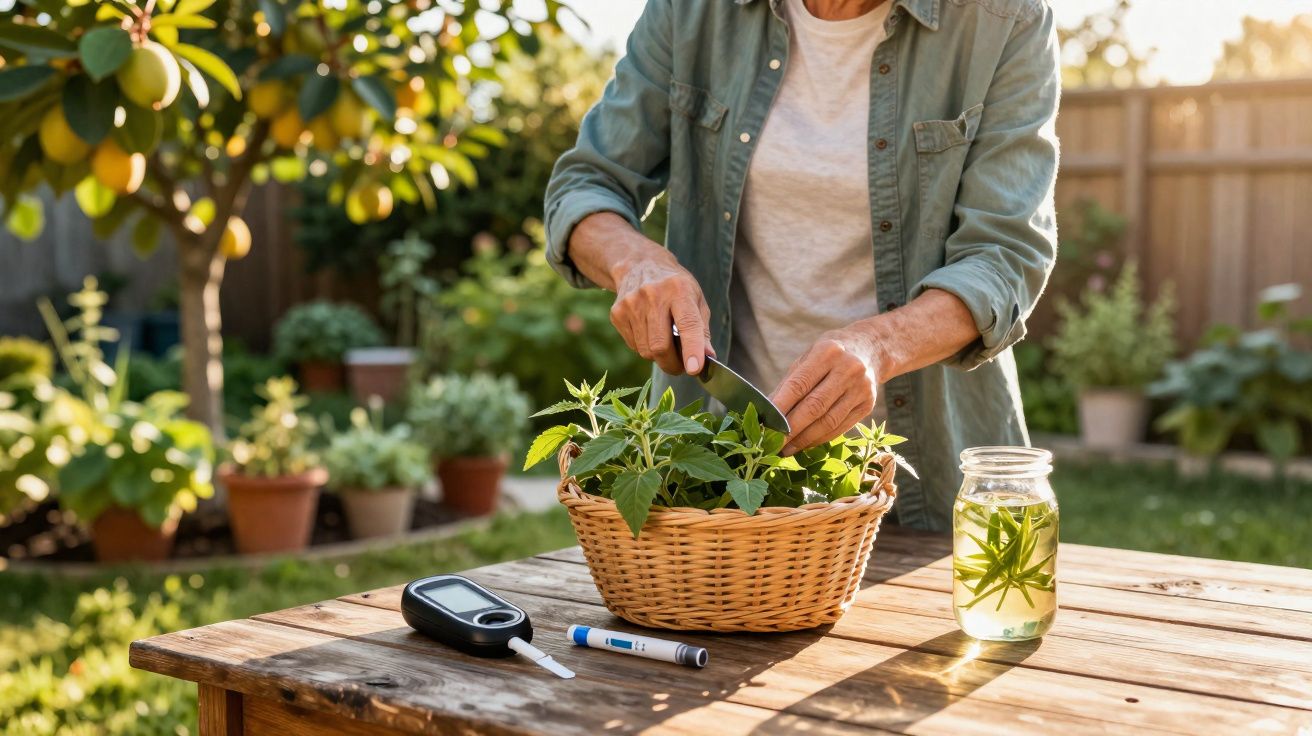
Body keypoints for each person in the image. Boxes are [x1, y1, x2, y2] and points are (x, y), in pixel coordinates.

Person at [544, 0, 1060, 531]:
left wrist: (879, 346)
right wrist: (637, 263)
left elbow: (1004, 256)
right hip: (719, 480)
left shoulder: (1004, 18)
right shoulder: (692, 12)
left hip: (934, 479)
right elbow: (585, 186)